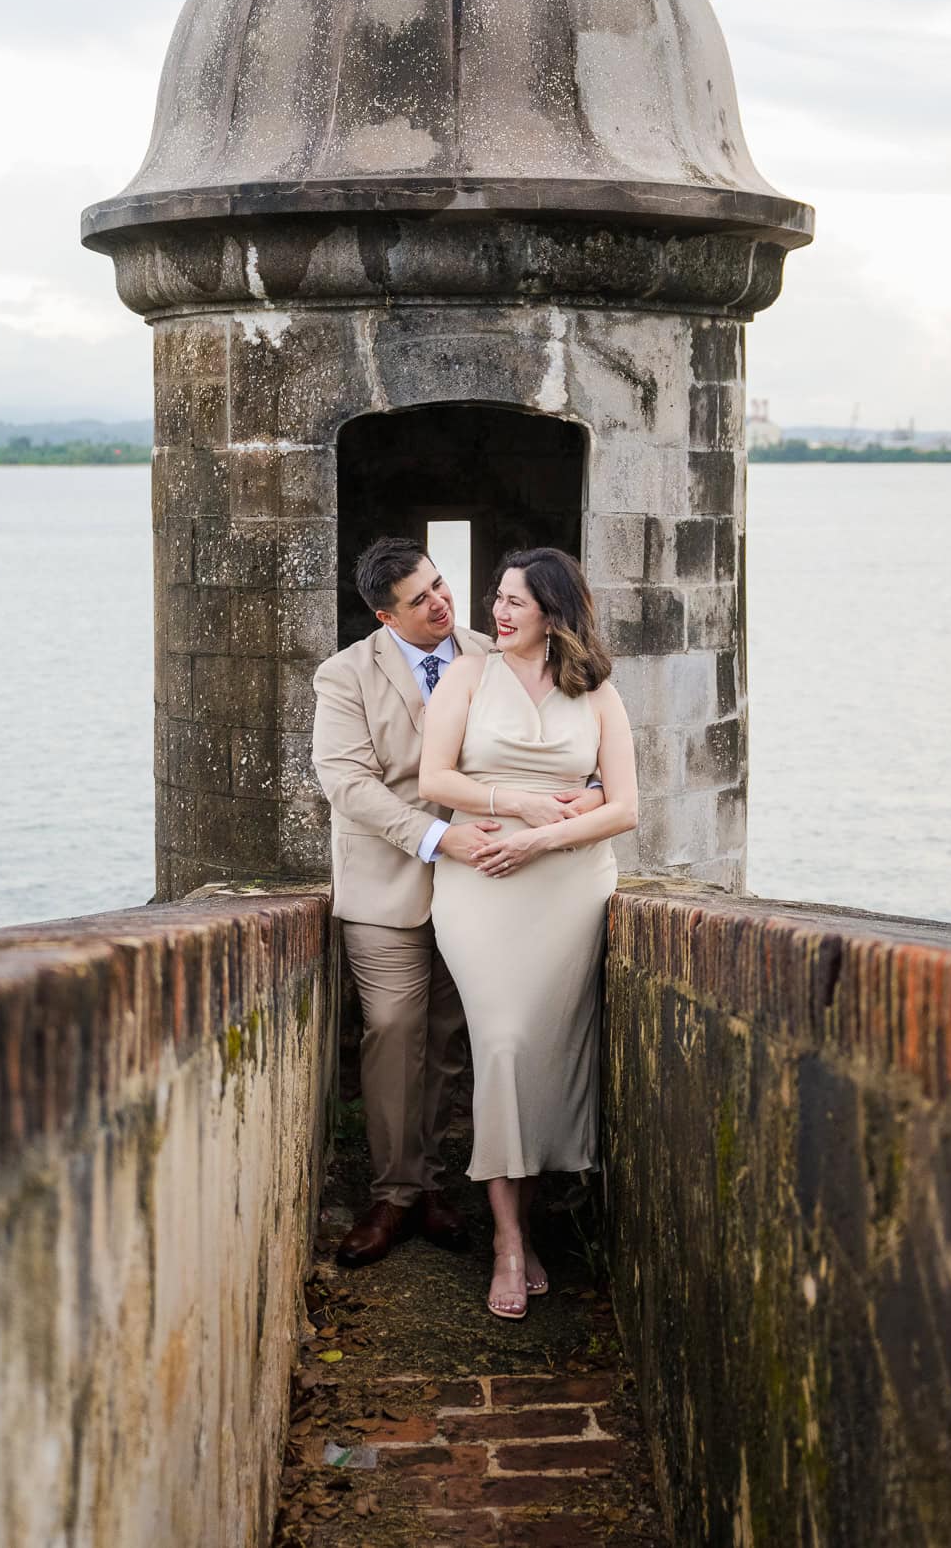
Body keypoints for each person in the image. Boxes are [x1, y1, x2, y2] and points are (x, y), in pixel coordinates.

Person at [420, 546, 638, 1320]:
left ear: (552, 609)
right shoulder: (468, 676)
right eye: (496, 599)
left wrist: (544, 837)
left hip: (569, 888)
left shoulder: (597, 688)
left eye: (514, 601)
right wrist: (518, 807)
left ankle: (532, 1227)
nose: (498, 612)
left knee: (545, 1062)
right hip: (482, 881)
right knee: (505, 1044)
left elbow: (625, 806)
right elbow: (433, 780)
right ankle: (508, 1241)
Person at [310, 538, 505, 1265]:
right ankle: (391, 1195)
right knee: (393, 1029)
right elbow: (348, 785)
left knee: (447, 1040)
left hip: (481, 886)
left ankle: (428, 1187)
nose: (441, 604)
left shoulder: (490, 653)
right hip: (386, 883)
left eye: (441, 585)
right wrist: (433, 838)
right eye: (420, 599)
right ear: (383, 614)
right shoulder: (344, 676)